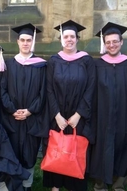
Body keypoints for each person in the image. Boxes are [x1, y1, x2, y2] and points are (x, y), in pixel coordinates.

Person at [42, 20, 96, 191]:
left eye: (72, 36)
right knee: (56, 149)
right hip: (57, 116)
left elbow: (90, 88)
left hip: (77, 117)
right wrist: (56, 115)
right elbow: (49, 89)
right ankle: (55, 186)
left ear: (77, 39)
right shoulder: (53, 61)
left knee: (76, 150)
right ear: (61, 39)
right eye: (66, 36)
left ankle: (75, 185)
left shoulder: (87, 61)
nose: (69, 39)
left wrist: (79, 114)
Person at [89, 22, 127, 191]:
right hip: (101, 116)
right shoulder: (96, 65)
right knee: (100, 148)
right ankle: (100, 184)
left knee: (124, 145)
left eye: (115, 41)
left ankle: (119, 184)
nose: (112, 45)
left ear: (121, 42)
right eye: (108, 42)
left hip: (125, 116)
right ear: (104, 44)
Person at [0, 23, 47, 191]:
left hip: (31, 119)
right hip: (11, 118)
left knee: (29, 153)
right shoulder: (8, 64)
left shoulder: (41, 66)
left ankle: (26, 185)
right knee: (11, 151)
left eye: (29, 40)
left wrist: (29, 111)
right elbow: (2, 90)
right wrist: (12, 110)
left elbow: (44, 92)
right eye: (23, 40)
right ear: (18, 42)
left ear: (33, 42)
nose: (26, 43)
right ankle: (10, 184)